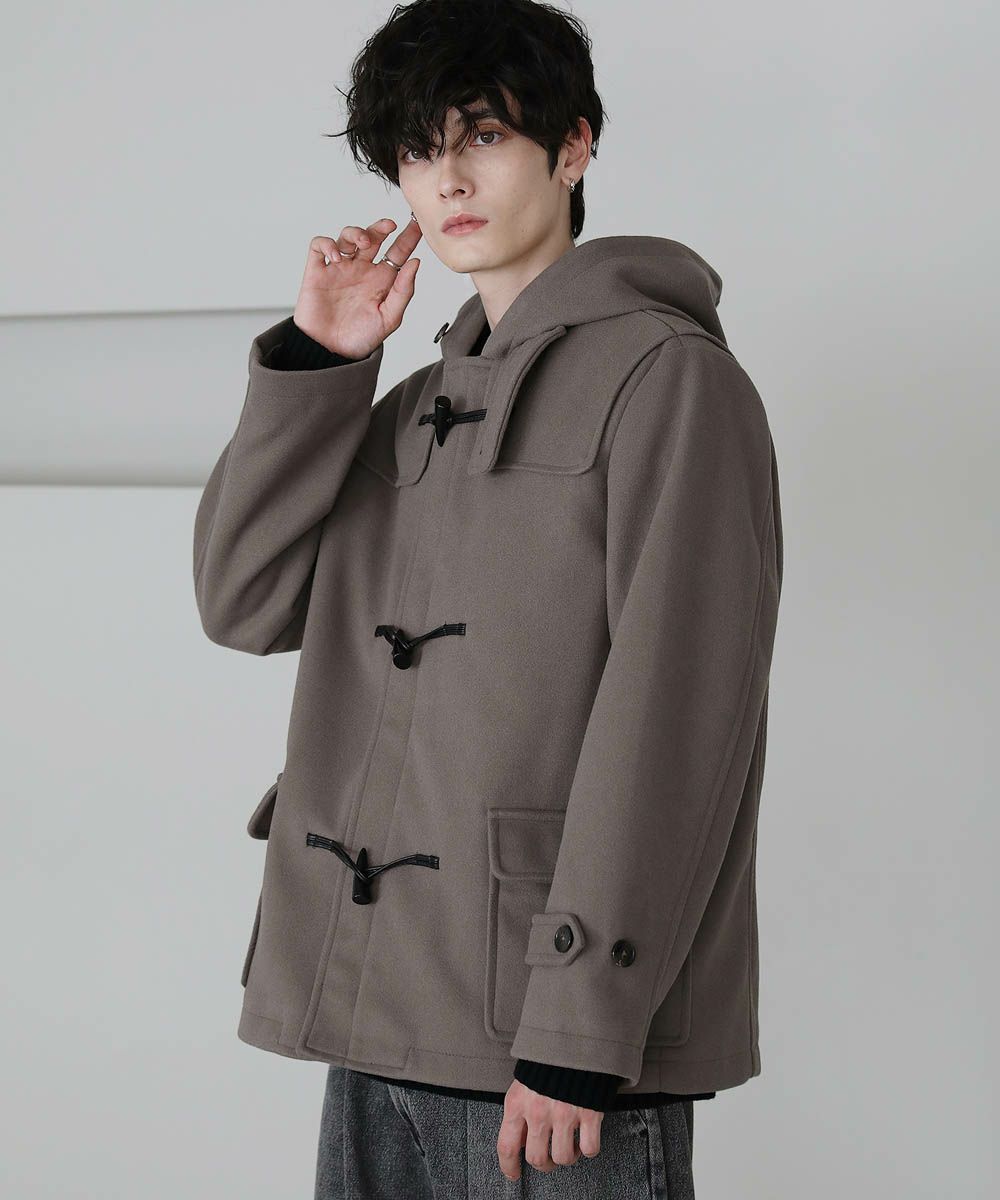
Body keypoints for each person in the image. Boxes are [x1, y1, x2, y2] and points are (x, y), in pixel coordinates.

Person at [192, 1, 783, 1195]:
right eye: (417, 152)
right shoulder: (413, 409)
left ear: (572, 146)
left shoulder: (672, 383)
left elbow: (677, 722)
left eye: (483, 137)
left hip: (548, 1041)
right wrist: (321, 364)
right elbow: (242, 601)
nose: (448, 181)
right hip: (376, 1019)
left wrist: (578, 1027)